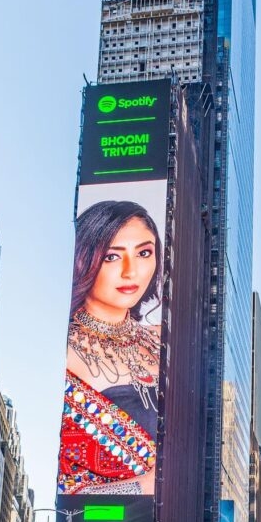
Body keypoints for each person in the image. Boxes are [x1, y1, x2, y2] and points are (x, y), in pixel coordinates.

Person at [58, 200, 162, 496]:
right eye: (112, 257)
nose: (132, 272)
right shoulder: (65, 354)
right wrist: (145, 486)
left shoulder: (166, 340)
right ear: (84, 260)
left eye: (144, 253)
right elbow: (66, 494)